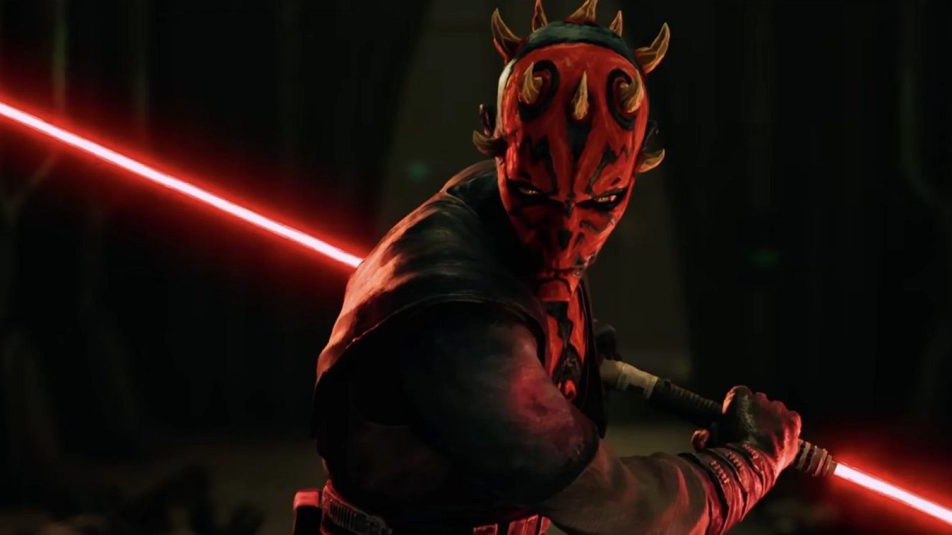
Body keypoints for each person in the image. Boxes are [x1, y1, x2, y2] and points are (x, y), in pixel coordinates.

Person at [309, 2, 802, 533]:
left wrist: (564, 348)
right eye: (533, 196)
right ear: (499, 145)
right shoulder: (459, 319)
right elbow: (619, 508)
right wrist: (745, 463)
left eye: (602, 202)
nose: (565, 236)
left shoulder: (489, 202)